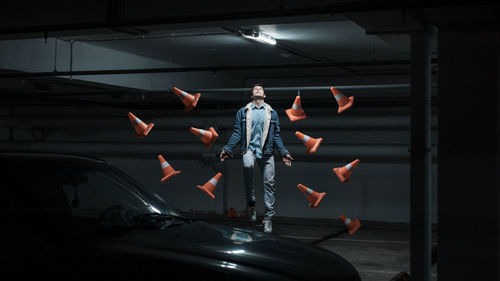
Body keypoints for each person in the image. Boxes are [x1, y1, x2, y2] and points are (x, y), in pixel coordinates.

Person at [220, 84, 294, 233]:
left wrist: (284, 152)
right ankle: (251, 203)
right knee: (247, 166)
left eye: (260, 89)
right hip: (249, 149)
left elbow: (277, 135)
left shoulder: (272, 113)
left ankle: (268, 218)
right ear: (252, 96)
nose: (258, 89)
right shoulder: (243, 112)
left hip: (266, 152)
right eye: (255, 89)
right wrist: (227, 148)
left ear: (264, 95)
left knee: (269, 183)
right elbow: (237, 132)